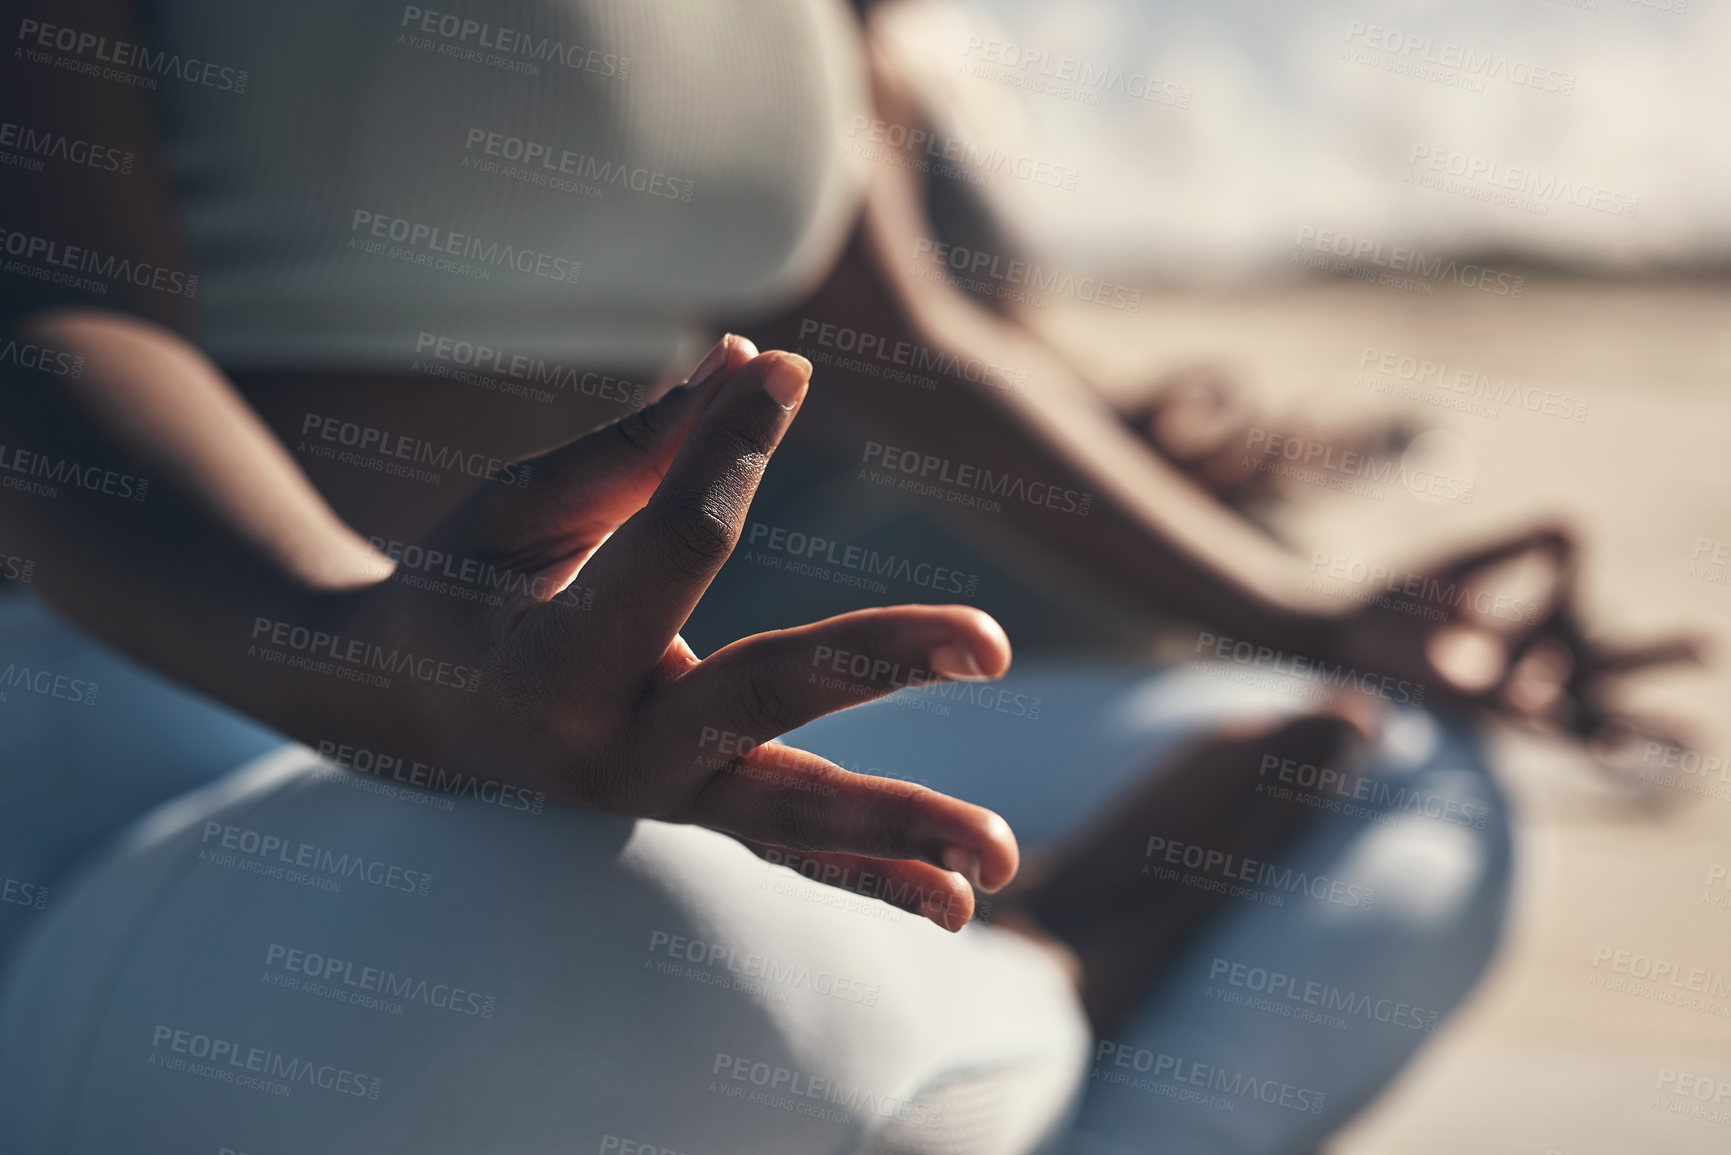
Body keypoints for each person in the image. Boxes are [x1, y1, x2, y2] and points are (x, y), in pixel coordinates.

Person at [0, 1, 1691, 1152]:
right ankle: (1040, 984)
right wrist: (371, 654)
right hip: (161, 703)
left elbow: (911, 339)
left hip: (588, 712)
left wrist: (1312, 614)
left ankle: (964, 1033)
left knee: (1396, 784)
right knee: (651, 959)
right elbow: (53, 313)